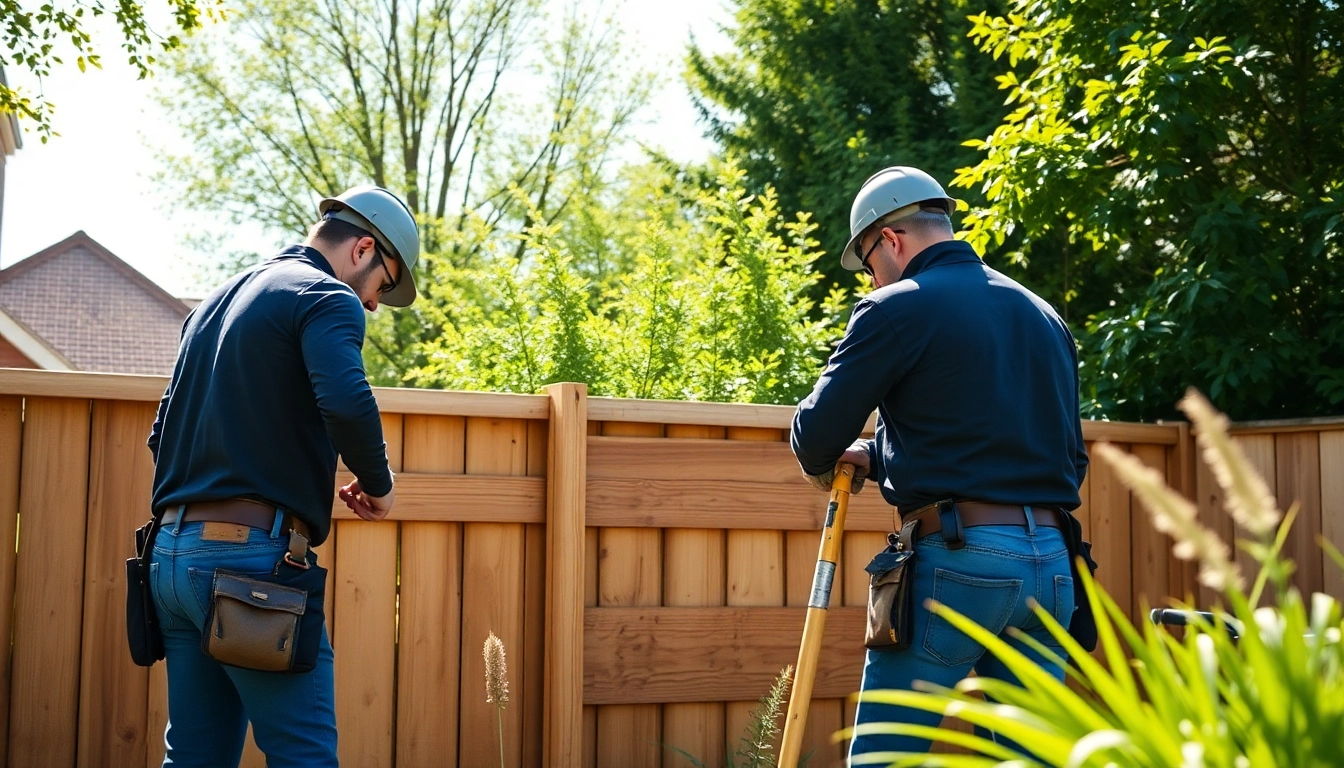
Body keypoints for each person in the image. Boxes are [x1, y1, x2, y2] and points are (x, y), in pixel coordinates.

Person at [789, 166, 1089, 761]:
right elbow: (1060, 454)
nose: (870, 279)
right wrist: (880, 457)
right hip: (1053, 569)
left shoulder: (895, 309)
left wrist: (847, 455)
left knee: (886, 757)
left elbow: (816, 436)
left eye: (869, 263)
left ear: (891, 240)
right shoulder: (1043, 315)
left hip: (957, 564)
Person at [145, 185, 420, 767]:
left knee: (195, 757)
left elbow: (159, 435)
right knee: (305, 755)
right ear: (364, 248)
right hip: (249, 569)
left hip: (169, 563)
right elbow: (346, 402)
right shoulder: (326, 297)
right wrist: (380, 486)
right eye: (384, 283)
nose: (373, 303)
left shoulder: (212, 306)